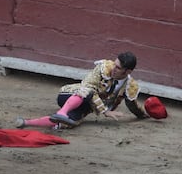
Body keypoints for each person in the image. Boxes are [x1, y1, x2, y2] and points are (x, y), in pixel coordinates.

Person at [15, 51, 149, 129]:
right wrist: (105, 111)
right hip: (70, 95)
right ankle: (62, 111)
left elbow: (133, 105)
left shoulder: (129, 85)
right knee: (87, 91)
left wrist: (145, 114)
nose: (114, 68)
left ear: (128, 71)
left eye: (118, 68)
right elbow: (88, 86)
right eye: (115, 64)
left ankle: (26, 122)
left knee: (69, 123)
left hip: (87, 107)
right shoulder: (104, 67)